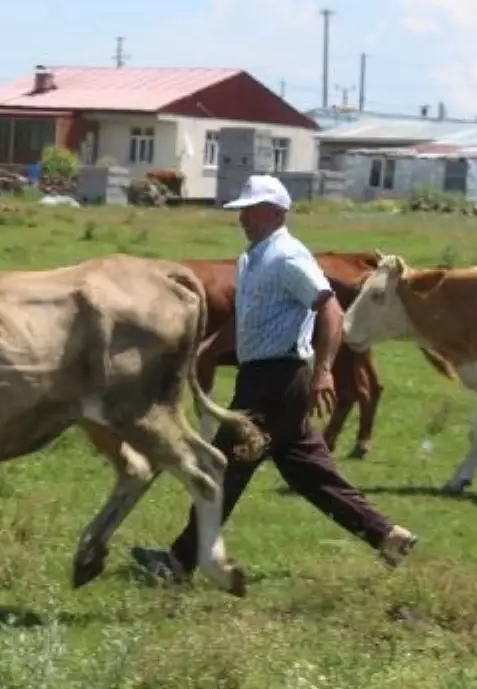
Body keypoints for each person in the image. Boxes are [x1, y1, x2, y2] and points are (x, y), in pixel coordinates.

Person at [130, 174, 418, 584]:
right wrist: (213, 345)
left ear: (277, 213)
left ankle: (178, 563)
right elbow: (252, 318)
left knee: (223, 467)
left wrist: (323, 372)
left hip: (279, 379)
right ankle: (388, 536)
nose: (243, 218)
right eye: (241, 210)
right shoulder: (253, 258)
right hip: (264, 378)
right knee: (309, 472)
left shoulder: (287, 257)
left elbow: (330, 311)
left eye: (252, 210)